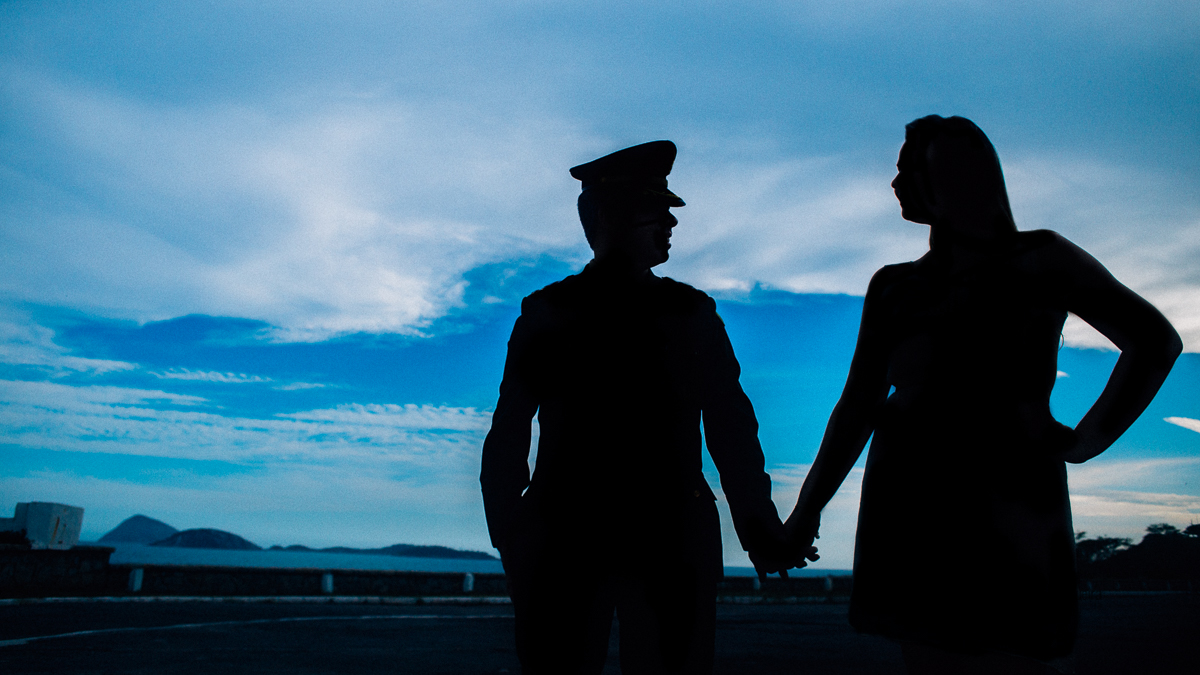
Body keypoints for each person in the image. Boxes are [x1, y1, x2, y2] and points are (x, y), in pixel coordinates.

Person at [783, 116, 1182, 674]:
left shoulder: (1041, 258)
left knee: (1013, 653)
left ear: (948, 177)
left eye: (908, 170)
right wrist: (807, 509)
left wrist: (1088, 440)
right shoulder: (894, 285)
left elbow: (1154, 340)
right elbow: (858, 405)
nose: (896, 185)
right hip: (911, 499)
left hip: (1009, 495)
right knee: (930, 657)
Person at [480, 140, 801, 674]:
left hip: (606, 542)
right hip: (621, 542)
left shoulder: (564, 312)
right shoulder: (675, 313)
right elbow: (509, 431)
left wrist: (511, 534)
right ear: (610, 214)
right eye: (657, 211)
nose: (671, 225)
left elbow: (731, 429)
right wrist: (510, 535)